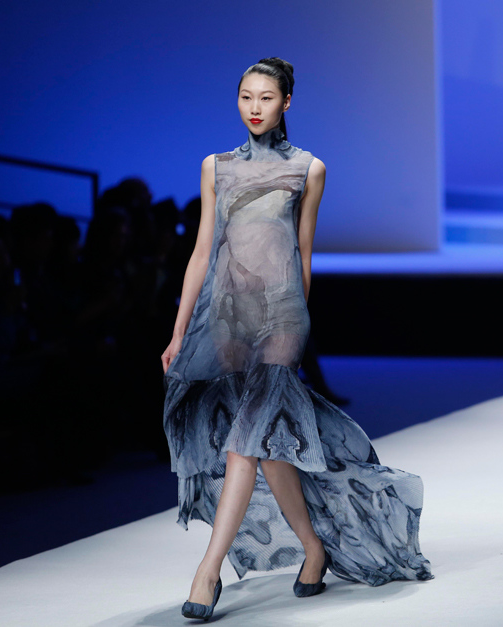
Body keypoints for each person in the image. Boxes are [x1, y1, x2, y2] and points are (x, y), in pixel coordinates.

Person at [161, 57, 433, 621]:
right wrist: (180, 328)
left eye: (265, 97)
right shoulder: (215, 167)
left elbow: (302, 253)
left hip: (281, 318)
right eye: (245, 96)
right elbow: (202, 251)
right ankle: (314, 547)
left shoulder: (309, 169)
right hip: (227, 316)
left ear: (286, 103)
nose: (254, 107)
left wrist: (297, 325)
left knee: (244, 442)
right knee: (264, 444)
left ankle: (207, 572)